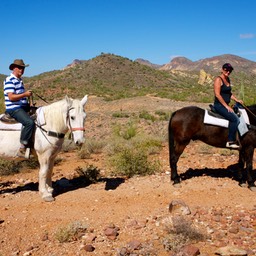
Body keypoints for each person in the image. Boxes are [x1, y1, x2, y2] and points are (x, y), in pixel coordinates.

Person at [3, 59, 34, 158]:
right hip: (14, 108)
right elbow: (11, 97)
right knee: (29, 122)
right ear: (14, 68)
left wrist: (30, 103)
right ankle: (22, 148)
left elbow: (21, 96)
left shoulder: (19, 80)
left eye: (23, 68)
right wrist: (25, 94)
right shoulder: (9, 80)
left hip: (22, 106)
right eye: (20, 68)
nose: (22, 70)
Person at [213, 63, 243, 149]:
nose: (228, 72)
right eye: (226, 70)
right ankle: (230, 141)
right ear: (222, 69)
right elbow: (218, 95)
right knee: (235, 119)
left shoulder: (228, 79)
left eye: (230, 70)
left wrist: (237, 100)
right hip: (219, 105)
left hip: (225, 104)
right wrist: (227, 106)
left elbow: (229, 94)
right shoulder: (218, 79)